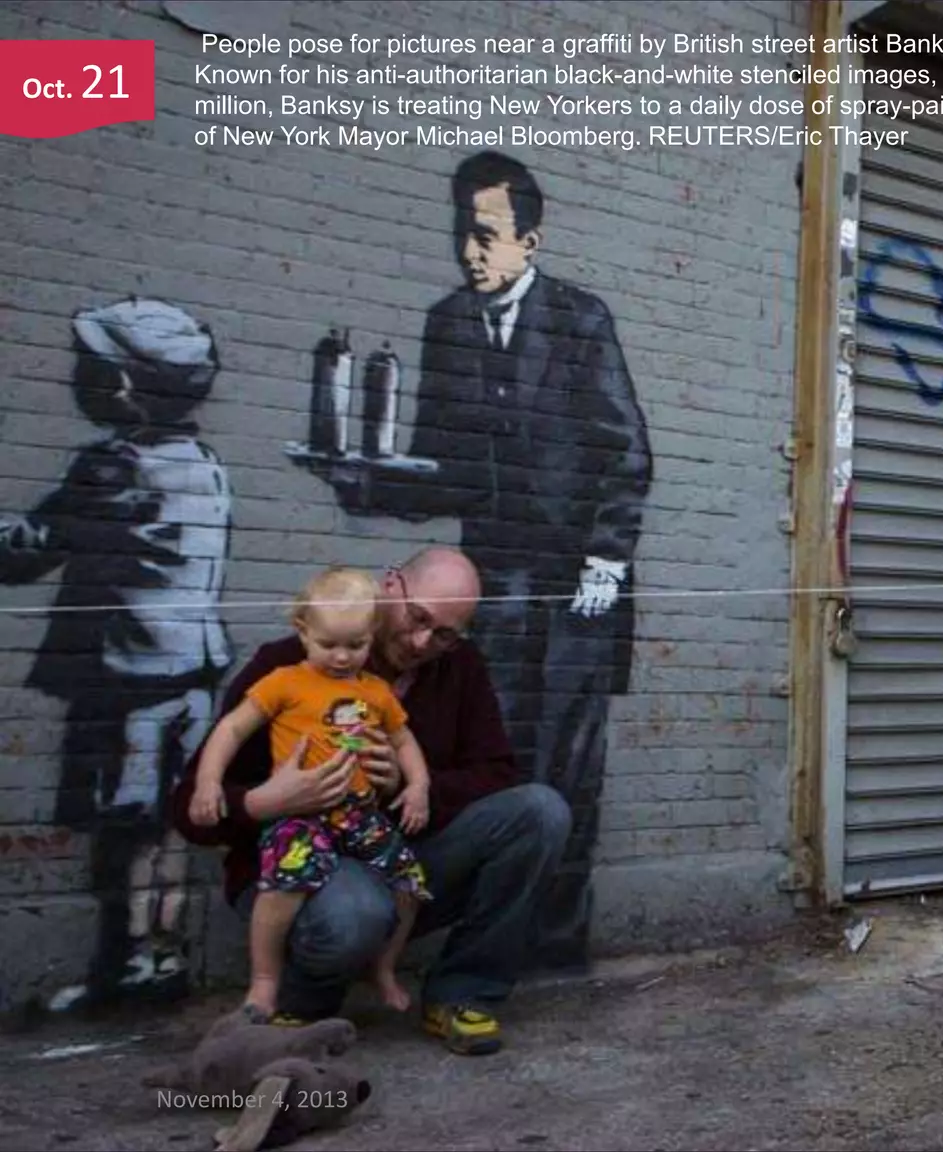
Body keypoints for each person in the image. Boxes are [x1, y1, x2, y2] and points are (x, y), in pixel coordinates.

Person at [312, 150, 652, 968]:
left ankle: (558, 944)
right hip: (491, 593)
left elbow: (628, 450)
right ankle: (487, 934)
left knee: (569, 770)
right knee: (498, 768)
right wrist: (369, 484)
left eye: (487, 234)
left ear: (528, 241)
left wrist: (604, 562)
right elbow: (448, 468)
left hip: (579, 594)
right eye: (462, 232)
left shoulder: (580, 320)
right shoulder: (449, 324)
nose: (470, 250)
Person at [173, 546, 570, 1055]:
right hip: (298, 865)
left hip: (389, 848)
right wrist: (263, 801)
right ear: (390, 587)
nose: (425, 641)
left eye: (446, 633)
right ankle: (299, 1007)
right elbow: (187, 806)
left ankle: (462, 993)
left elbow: (496, 772)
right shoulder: (288, 665)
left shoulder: (458, 668)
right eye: (418, 617)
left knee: (540, 813)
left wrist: (404, 788)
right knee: (356, 910)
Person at [0, 297, 233, 1010]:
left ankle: (127, 966)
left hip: (128, 681)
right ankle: (159, 958)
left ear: (123, 386)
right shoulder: (204, 464)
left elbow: (33, 548)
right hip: (189, 680)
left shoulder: (113, 465)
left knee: (125, 830)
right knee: (164, 828)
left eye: (87, 368)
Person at [187, 567, 434, 1018]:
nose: (342, 657)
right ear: (303, 632)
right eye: (329, 645)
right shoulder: (284, 681)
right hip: (299, 815)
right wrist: (208, 782)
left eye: (355, 646)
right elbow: (231, 729)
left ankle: (384, 968)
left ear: (372, 636)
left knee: (409, 885)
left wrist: (417, 784)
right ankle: (265, 981)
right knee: (285, 886)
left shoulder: (375, 691)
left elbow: (403, 741)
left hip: (359, 814)